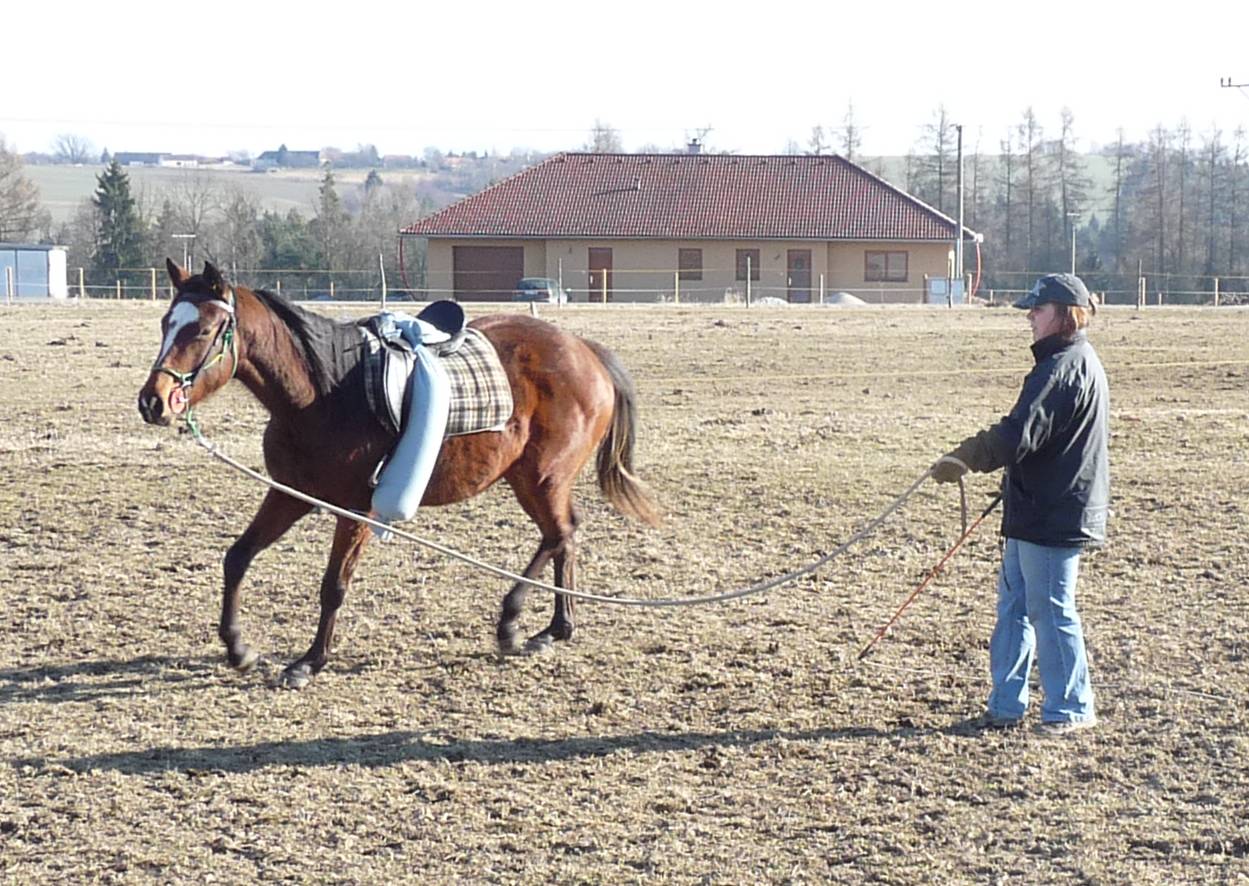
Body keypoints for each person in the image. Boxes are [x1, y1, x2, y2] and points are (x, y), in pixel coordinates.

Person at [931, 273, 1109, 736]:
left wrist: (967, 456)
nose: (1030, 317)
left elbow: (1019, 434)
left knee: (1050, 609)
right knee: (1014, 607)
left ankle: (1071, 708)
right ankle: (1006, 705)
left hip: (1052, 514)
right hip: (1032, 509)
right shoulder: (1067, 361)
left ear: (1064, 315)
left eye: (1038, 309)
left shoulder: (1062, 368)